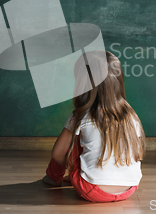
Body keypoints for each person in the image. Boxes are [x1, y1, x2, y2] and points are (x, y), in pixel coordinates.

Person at [42, 50, 145, 202]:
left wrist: (72, 170)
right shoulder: (131, 115)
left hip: (92, 190)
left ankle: (53, 178)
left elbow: (58, 154)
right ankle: (87, 172)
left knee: (75, 138)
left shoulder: (80, 116)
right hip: (129, 188)